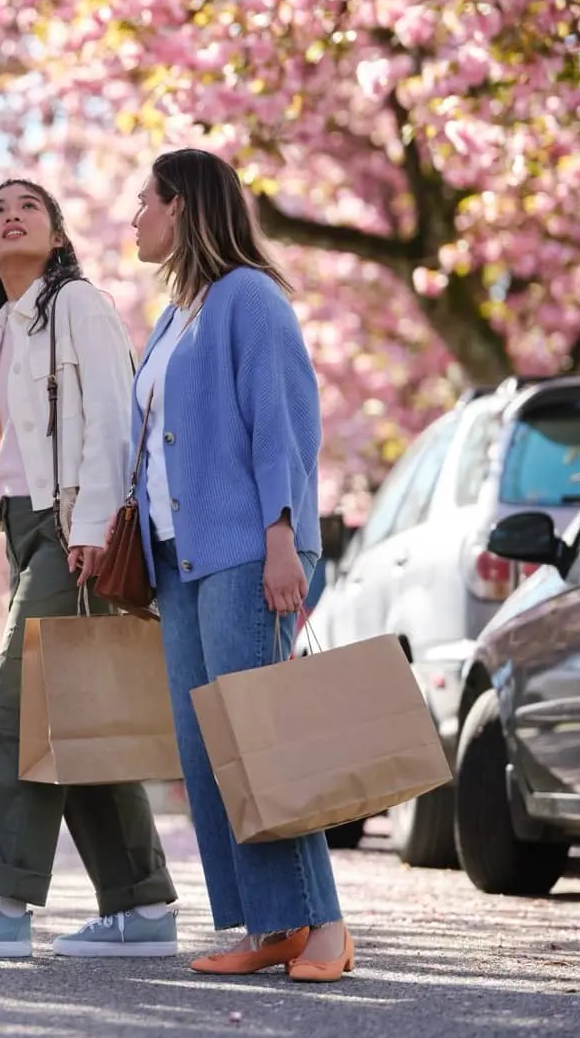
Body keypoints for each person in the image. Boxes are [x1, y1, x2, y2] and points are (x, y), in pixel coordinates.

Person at [0, 179, 178, 960]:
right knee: (74, 718)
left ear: (56, 235)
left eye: (29, 206)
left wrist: (90, 526)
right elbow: (27, 468)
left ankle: (4, 901)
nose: (11, 215)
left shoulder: (79, 304)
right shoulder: (7, 328)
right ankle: (141, 906)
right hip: (31, 529)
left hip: (71, 535)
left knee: (15, 711)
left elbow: (116, 423)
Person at [128, 147, 351, 982]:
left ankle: (322, 924)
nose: (134, 217)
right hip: (179, 564)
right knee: (208, 752)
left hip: (248, 554)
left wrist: (283, 535)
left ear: (182, 205)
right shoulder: (171, 316)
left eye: (144, 201)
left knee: (264, 745)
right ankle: (269, 924)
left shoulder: (248, 298)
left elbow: (283, 425)